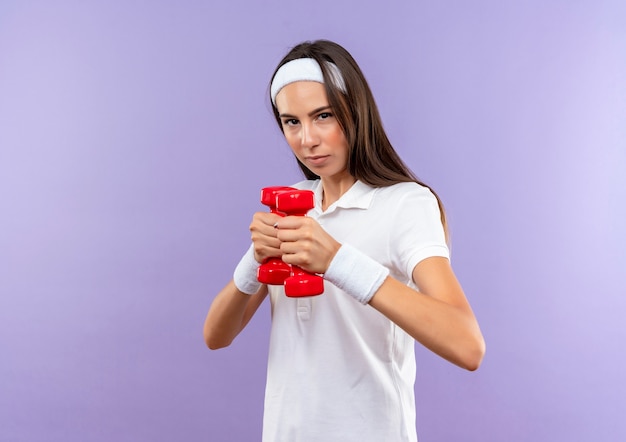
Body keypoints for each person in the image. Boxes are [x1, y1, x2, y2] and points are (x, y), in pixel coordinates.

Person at [203, 39, 485, 442]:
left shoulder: (405, 204)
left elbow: (467, 344)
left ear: (356, 112)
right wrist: (255, 260)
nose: (307, 140)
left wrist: (336, 260)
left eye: (324, 116)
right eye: (291, 122)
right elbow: (216, 336)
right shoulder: (293, 205)